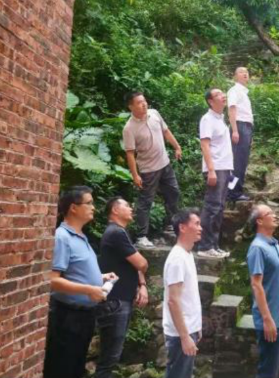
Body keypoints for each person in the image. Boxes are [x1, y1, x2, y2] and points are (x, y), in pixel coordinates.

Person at [43, 186, 117, 378]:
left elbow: (75, 272)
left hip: (84, 316)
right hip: (68, 317)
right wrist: (88, 289)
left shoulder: (81, 236)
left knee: (76, 367)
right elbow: (53, 280)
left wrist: (101, 277)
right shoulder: (62, 237)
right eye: (89, 203)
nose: (93, 207)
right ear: (73, 208)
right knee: (62, 369)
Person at [94, 197, 149, 378]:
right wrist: (141, 265)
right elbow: (141, 263)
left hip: (119, 300)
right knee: (109, 358)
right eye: (126, 205)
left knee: (111, 356)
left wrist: (142, 284)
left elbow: (136, 264)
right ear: (115, 210)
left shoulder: (121, 232)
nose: (131, 208)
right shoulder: (116, 233)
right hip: (115, 302)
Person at [123, 91, 183, 248]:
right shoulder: (129, 128)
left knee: (173, 192)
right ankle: (141, 236)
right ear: (131, 106)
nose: (144, 104)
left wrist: (177, 147)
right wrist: (135, 175)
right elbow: (130, 153)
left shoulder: (154, 114)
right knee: (145, 202)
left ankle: (171, 224)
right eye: (139, 102)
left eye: (144, 101)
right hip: (148, 170)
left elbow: (166, 131)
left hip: (165, 163)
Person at [246, 204, 279, 378]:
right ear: (259, 221)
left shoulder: (274, 244)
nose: (275, 216)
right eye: (270, 213)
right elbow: (256, 285)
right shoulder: (257, 248)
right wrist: (267, 319)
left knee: (272, 371)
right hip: (270, 320)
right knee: (267, 372)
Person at [163, 208, 204, 378]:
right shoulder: (177, 258)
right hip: (180, 333)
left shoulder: (187, 254)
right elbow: (173, 300)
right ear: (182, 227)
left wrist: (196, 327)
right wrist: (185, 336)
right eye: (197, 224)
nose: (201, 228)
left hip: (188, 329)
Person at [197, 88, 233, 259]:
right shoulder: (207, 119)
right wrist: (211, 170)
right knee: (212, 207)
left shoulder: (221, 119)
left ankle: (214, 245)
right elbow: (205, 145)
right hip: (215, 168)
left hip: (224, 167)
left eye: (222, 93)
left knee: (219, 208)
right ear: (211, 101)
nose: (223, 96)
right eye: (218, 94)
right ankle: (204, 246)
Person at [227, 66, 254, 202]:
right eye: (241, 72)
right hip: (240, 126)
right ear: (235, 76)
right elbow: (232, 110)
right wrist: (235, 130)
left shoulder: (244, 93)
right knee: (237, 161)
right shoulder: (234, 90)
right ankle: (233, 193)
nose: (245, 73)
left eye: (246, 72)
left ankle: (235, 191)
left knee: (242, 161)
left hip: (246, 127)